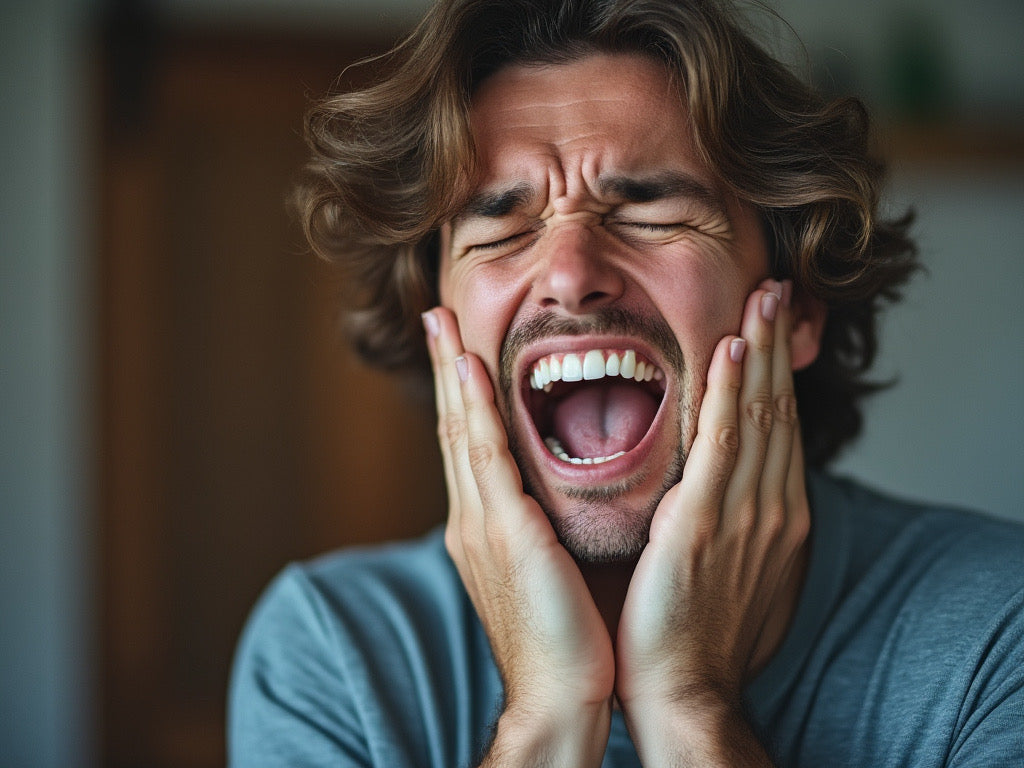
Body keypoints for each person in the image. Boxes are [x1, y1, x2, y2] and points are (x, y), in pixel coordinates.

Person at [228, 1, 1024, 766]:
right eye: (503, 227)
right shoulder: (331, 654)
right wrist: (544, 717)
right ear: (438, 321)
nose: (571, 275)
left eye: (651, 214)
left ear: (799, 308)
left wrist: (691, 708)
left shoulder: (997, 631)